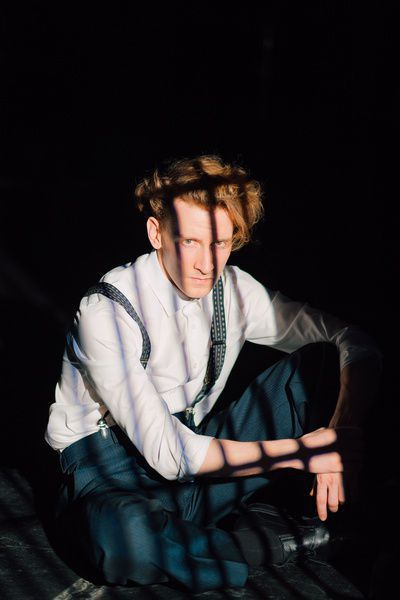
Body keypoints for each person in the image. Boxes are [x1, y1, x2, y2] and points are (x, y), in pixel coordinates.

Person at [45, 154, 382, 593]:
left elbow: (353, 341)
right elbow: (169, 454)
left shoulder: (235, 290)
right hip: (110, 479)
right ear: (156, 233)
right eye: (191, 241)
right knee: (124, 539)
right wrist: (301, 453)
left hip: (198, 469)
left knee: (322, 365)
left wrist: (340, 433)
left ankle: (199, 538)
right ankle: (262, 544)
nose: (207, 263)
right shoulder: (106, 310)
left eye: (220, 243)